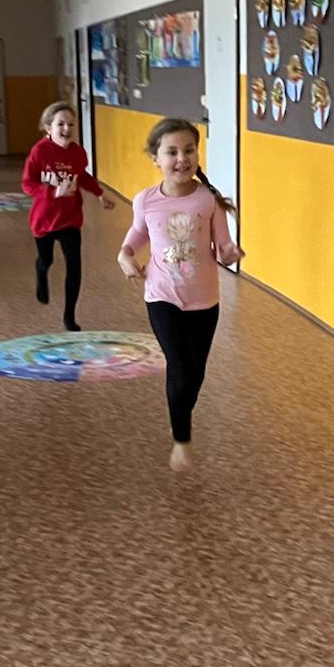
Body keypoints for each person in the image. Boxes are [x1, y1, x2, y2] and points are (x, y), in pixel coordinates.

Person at [117, 117, 242, 471]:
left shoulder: (207, 200)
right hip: (162, 296)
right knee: (182, 369)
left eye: (189, 150)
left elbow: (223, 245)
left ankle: (179, 411)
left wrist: (231, 253)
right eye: (171, 152)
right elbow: (136, 236)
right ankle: (181, 440)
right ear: (155, 158)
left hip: (205, 300)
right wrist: (125, 255)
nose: (182, 158)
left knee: (195, 374)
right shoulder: (146, 201)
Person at [22, 102, 114, 332]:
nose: (67, 129)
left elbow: (82, 176)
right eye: (61, 124)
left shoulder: (78, 153)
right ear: (48, 128)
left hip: (70, 219)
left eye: (71, 124)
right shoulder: (39, 152)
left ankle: (69, 316)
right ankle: (41, 271)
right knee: (47, 260)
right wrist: (52, 192)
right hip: (44, 219)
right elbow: (27, 184)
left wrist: (100, 194)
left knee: (74, 266)